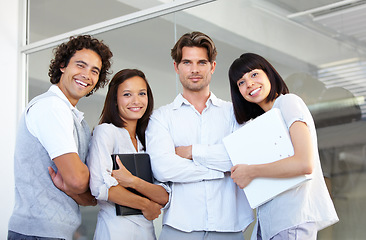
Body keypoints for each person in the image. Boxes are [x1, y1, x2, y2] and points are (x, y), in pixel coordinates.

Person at [145, 31, 254, 240]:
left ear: (212, 67)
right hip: (179, 229)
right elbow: (163, 168)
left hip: (229, 229)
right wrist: (221, 171)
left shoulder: (235, 113)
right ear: (176, 67)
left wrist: (192, 152)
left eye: (201, 62)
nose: (194, 69)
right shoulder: (161, 118)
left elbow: (242, 159)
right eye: (187, 62)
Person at [8, 35, 113, 240]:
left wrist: (81, 189)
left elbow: (88, 195)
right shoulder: (51, 107)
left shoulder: (74, 118)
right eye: (80, 65)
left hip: (55, 232)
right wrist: (83, 185)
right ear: (63, 65)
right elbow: (77, 180)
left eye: (94, 71)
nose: (86, 75)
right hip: (37, 233)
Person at [228, 53, 339, 240]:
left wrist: (251, 172)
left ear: (269, 74)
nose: (249, 84)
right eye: (241, 82)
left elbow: (304, 164)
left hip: (291, 219)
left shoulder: (288, 102)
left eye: (254, 74)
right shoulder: (262, 123)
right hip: (271, 222)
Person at [87, 69, 170, 240]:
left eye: (142, 93)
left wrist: (133, 181)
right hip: (114, 231)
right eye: (127, 94)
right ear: (115, 100)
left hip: (146, 232)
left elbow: (164, 196)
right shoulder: (107, 132)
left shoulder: (147, 140)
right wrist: (146, 204)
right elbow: (99, 187)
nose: (136, 101)